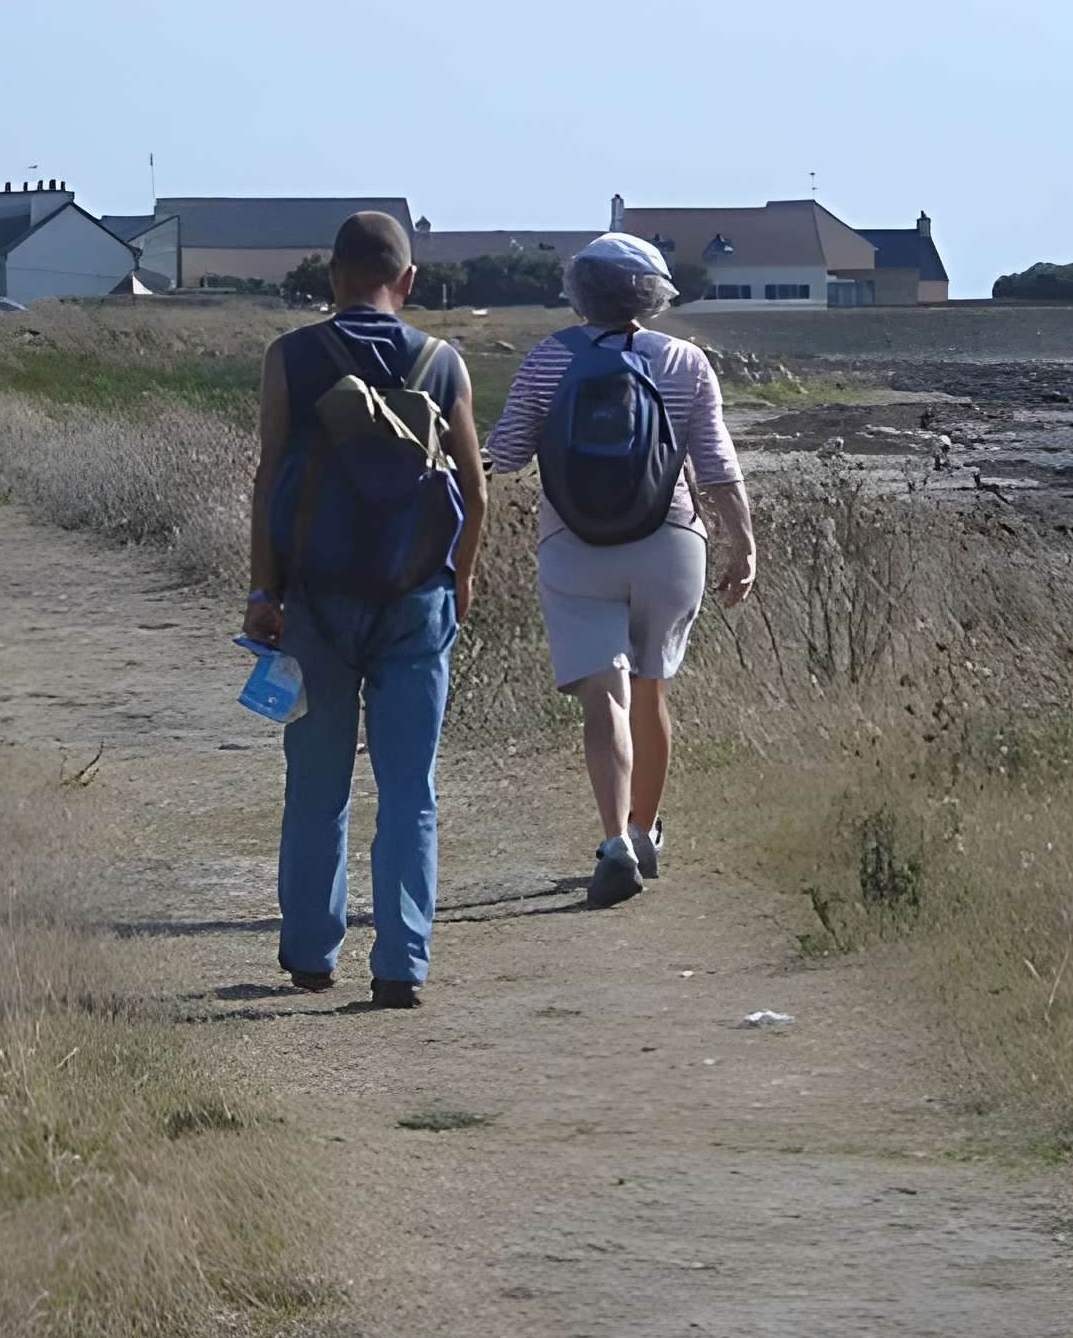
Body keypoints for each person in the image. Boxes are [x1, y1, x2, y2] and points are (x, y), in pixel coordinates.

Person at [242, 210, 486, 1009]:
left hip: (316, 599)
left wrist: (263, 593)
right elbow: (476, 495)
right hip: (416, 602)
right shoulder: (443, 364)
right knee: (410, 788)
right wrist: (458, 584)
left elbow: (270, 478)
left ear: (330, 277)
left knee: (317, 785)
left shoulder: (293, 358)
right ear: (407, 280)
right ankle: (402, 965)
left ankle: (312, 953)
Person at [484, 233, 755, 908]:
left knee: (605, 696)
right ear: (655, 294)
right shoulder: (686, 362)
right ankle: (644, 834)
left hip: (574, 545)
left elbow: (509, 452)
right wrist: (743, 544)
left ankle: (612, 844)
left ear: (579, 290)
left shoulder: (550, 358)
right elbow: (717, 466)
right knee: (651, 689)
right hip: (669, 541)